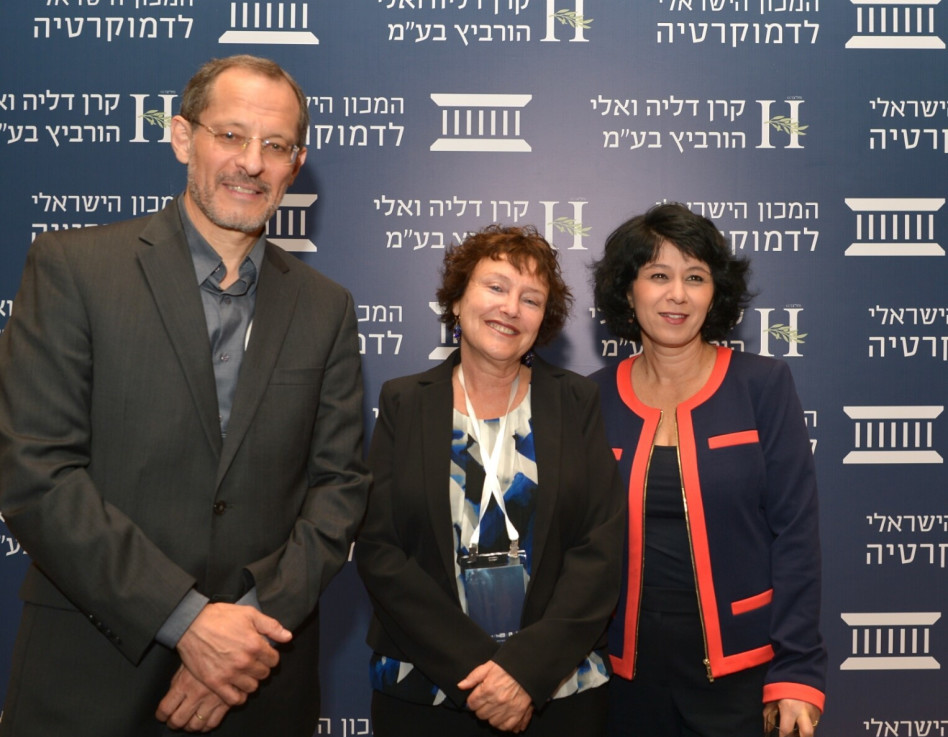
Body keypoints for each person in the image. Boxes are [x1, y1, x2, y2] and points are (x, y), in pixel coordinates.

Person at [0, 55, 370, 736]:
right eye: (230, 135)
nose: (251, 163)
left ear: (296, 164)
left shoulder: (327, 308)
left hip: (260, 677)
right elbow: (35, 473)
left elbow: (339, 488)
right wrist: (188, 621)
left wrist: (246, 628)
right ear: (181, 137)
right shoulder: (73, 268)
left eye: (276, 145)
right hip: (91, 671)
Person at [355, 225, 624, 736]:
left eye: (531, 299)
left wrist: (524, 672)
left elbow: (600, 549)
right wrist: (480, 670)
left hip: (556, 689)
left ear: (543, 320)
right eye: (496, 287)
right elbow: (379, 548)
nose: (511, 308)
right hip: (425, 687)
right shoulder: (404, 401)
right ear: (457, 300)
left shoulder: (575, 400)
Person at [588, 203, 826, 737]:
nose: (677, 294)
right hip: (622, 679)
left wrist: (797, 670)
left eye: (695, 277)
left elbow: (795, 534)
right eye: (658, 276)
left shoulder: (763, 385)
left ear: (715, 293)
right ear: (627, 291)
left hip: (743, 675)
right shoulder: (592, 397)